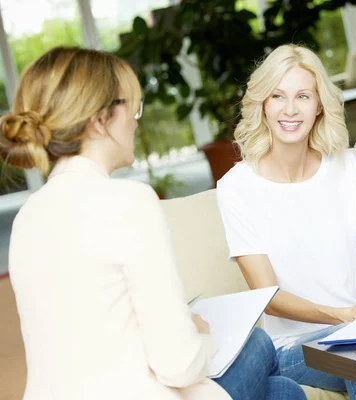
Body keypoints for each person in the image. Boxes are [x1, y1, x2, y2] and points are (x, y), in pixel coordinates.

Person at [1, 47, 305, 400]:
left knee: (281, 392)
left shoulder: (28, 217)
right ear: (101, 119)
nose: (135, 120)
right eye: (133, 106)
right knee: (257, 343)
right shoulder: (128, 201)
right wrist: (199, 333)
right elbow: (177, 364)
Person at [216, 44, 356, 399]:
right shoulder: (236, 188)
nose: (290, 110)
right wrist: (345, 316)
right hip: (293, 347)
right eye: (278, 96)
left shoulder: (348, 169)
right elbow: (268, 298)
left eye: (302, 96)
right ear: (263, 104)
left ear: (319, 106)